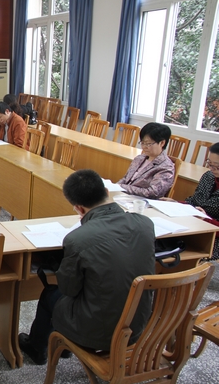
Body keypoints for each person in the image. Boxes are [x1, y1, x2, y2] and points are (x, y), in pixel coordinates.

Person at [18, 169, 155, 365]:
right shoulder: (145, 224)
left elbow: (69, 289)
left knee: (51, 294)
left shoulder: (77, 239)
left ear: (79, 209)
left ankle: (37, 348)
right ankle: (64, 347)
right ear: (106, 192)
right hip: (137, 323)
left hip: (100, 333)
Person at [162, 142, 219, 259]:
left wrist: (206, 220)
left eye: (217, 166)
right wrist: (176, 203)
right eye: (209, 163)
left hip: (213, 238)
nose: (211, 169)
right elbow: (194, 201)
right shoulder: (208, 176)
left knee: (177, 253)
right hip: (192, 226)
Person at [116, 122, 175, 199]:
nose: (144, 147)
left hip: (141, 201)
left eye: (148, 144)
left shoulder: (166, 167)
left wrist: (122, 187)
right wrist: (114, 187)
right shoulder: (139, 158)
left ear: (162, 143)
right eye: (142, 143)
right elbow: (125, 179)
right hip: (124, 197)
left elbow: (153, 193)